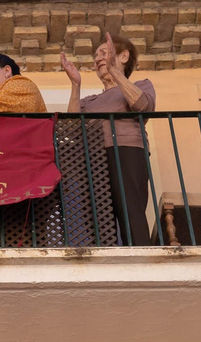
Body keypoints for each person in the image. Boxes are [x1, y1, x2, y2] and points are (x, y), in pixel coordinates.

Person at [61, 33, 156, 244]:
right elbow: (71, 129)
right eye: (96, 56)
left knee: (131, 207)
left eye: (104, 53)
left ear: (123, 56)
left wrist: (115, 72)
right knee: (96, 215)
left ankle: (141, 255)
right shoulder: (89, 101)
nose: (97, 59)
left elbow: (143, 107)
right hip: (93, 156)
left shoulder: (142, 85)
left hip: (127, 150)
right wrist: (76, 85)